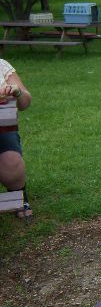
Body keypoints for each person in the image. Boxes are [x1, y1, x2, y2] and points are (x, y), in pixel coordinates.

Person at [0, 59, 32, 220]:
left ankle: (15, 198)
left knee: (12, 164)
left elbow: (25, 103)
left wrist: (17, 92)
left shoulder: (1, 65)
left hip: (2, 125)